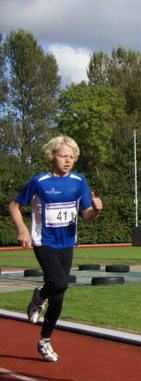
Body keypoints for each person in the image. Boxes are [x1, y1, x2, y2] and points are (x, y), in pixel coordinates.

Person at [8, 136, 102, 362]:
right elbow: (14, 206)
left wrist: (97, 210)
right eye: (63, 156)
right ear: (52, 157)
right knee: (59, 283)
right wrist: (23, 230)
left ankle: (44, 341)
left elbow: (87, 216)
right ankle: (39, 299)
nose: (68, 160)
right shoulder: (39, 181)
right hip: (44, 241)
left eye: (72, 157)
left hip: (66, 243)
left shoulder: (79, 181)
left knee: (59, 298)